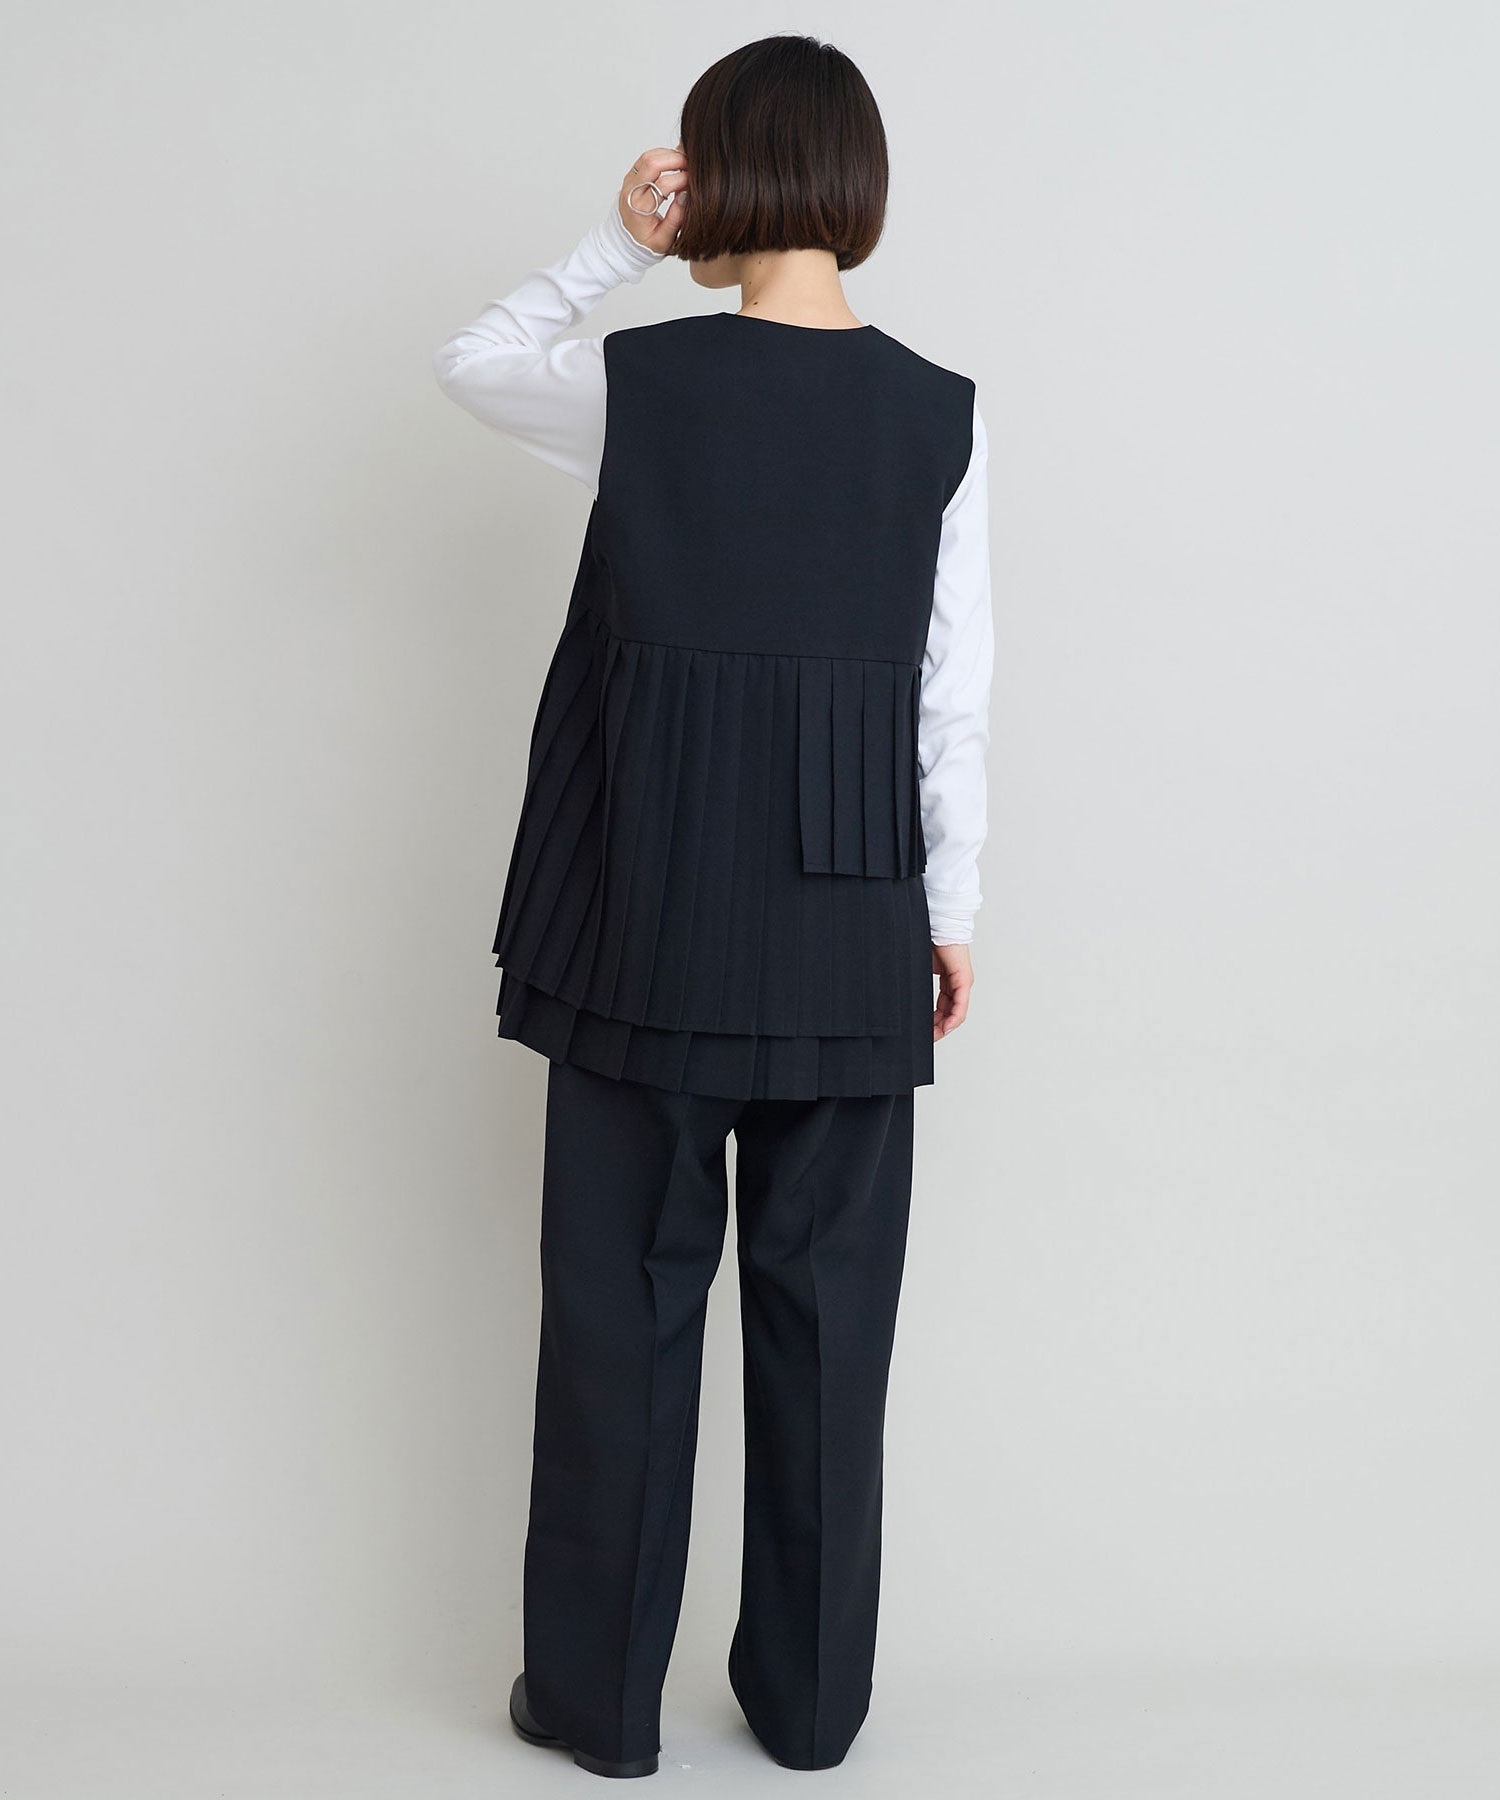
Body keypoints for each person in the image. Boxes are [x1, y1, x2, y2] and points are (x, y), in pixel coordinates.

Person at [432, 33, 992, 1780]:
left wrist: (615, 243)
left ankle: (597, 1707)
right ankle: (812, 1711)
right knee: (829, 1333)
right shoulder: (940, 415)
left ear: (718, 179)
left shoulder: (646, 388)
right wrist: (951, 912)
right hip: (850, 916)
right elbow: (954, 696)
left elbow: (477, 361)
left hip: (646, 909)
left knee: (622, 1312)